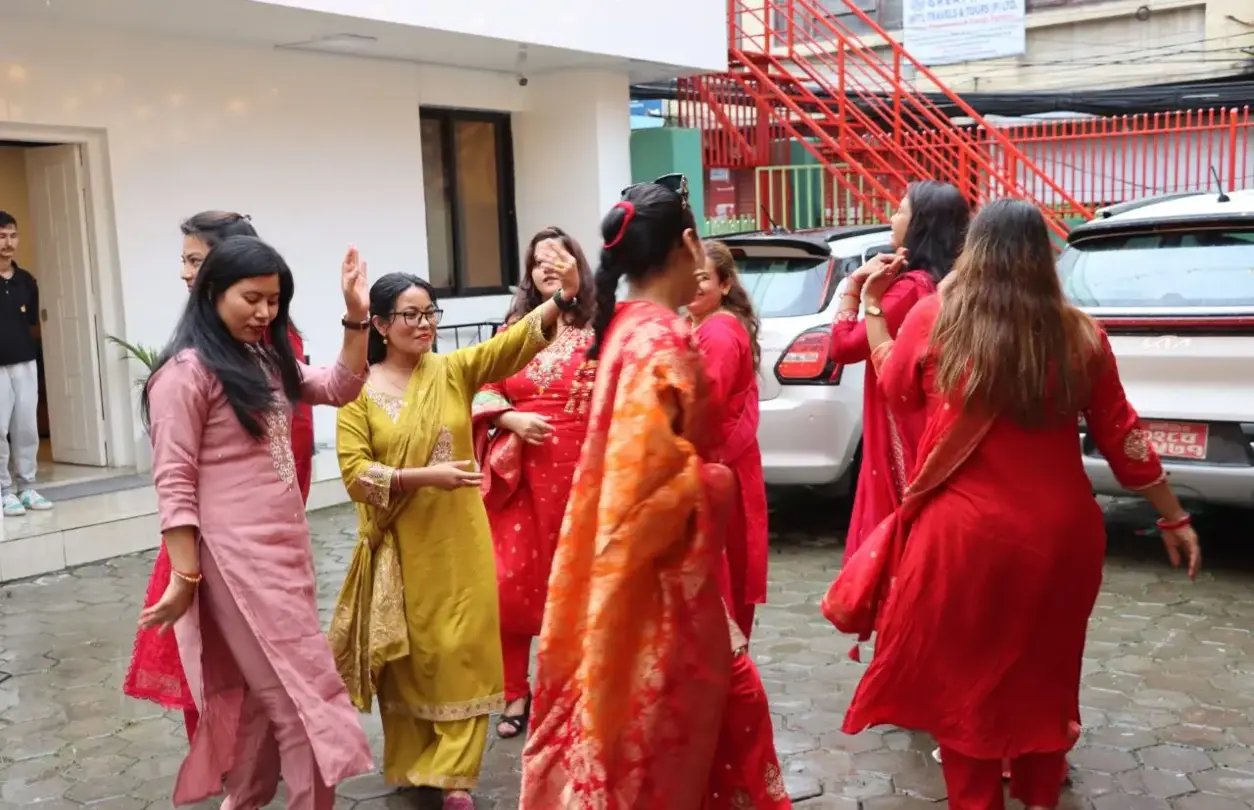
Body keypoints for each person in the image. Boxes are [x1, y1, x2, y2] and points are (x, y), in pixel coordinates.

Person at [838, 199, 1202, 810]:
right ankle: (1038, 798)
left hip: (963, 538)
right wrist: (1173, 514)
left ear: (974, 251)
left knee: (963, 692)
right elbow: (1123, 434)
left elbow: (896, 386)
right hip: (1059, 541)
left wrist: (872, 307)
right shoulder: (1079, 332)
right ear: (1043, 257)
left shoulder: (936, 319)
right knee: (1044, 683)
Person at [520, 179, 790, 810]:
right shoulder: (662, 342)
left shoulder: (627, 329)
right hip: (654, 580)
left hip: (614, 561)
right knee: (667, 745)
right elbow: (651, 489)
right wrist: (715, 482)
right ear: (689, 244)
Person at [329, 256, 580, 810]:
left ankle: (457, 776)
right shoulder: (356, 393)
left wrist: (562, 299)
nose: (424, 325)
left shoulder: (452, 370)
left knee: (463, 647)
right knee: (411, 657)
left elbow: (511, 345)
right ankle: (417, 765)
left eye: (430, 313)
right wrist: (424, 477)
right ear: (380, 324)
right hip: (399, 548)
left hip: (460, 542)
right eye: (411, 315)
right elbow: (355, 475)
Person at [138, 236, 375, 809]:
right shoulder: (185, 374)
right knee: (303, 705)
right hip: (237, 563)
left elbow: (340, 387)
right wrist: (184, 577)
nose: (265, 312)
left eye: (274, 300)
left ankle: (241, 801)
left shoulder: (264, 359)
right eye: (252, 299)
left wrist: (356, 315)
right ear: (212, 293)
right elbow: (174, 482)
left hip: (285, 553)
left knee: (261, 701)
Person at [123, 211, 316, 743]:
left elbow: (292, 444)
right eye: (184, 261)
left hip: (249, 537)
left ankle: (251, 758)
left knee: (247, 659)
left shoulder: (266, 341)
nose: (185, 273)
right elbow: (175, 472)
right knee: (208, 655)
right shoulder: (194, 360)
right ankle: (231, 761)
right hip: (209, 531)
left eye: (195, 260)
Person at [470, 226, 597, 739]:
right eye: (537, 261)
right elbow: (483, 387)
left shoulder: (601, 328)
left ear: (577, 266)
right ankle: (514, 692)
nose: (547, 267)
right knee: (509, 585)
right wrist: (510, 419)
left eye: (557, 257)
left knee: (579, 586)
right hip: (519, 477)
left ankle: (571, 692)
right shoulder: (514, 332)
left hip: (585, 473)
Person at [830, 181, 968, 561]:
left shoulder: (909, 288)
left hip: (900, 425)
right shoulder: (952, 285)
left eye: (899, 210)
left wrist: (854, 286)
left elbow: (843, 347)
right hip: (935, 422)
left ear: (922, 223)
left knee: (894, 543)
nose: (891, 219)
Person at [688, 240, 768, 640]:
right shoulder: (698, 324)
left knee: (721, 582)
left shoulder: (718, 331)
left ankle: (727, 667)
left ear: (724, 284)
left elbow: (703, 403)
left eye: (703, 278)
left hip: (721, 469)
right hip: (720, 467)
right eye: (688, 276)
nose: (694, 285)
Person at [0, 210, 53, 517]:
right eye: (1, 237)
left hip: (25, 363)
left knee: (26, 427)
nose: (8, 243)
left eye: (12, 236)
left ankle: (27, 486)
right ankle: (3, 491)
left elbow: (31, 320)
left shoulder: (26, 281)